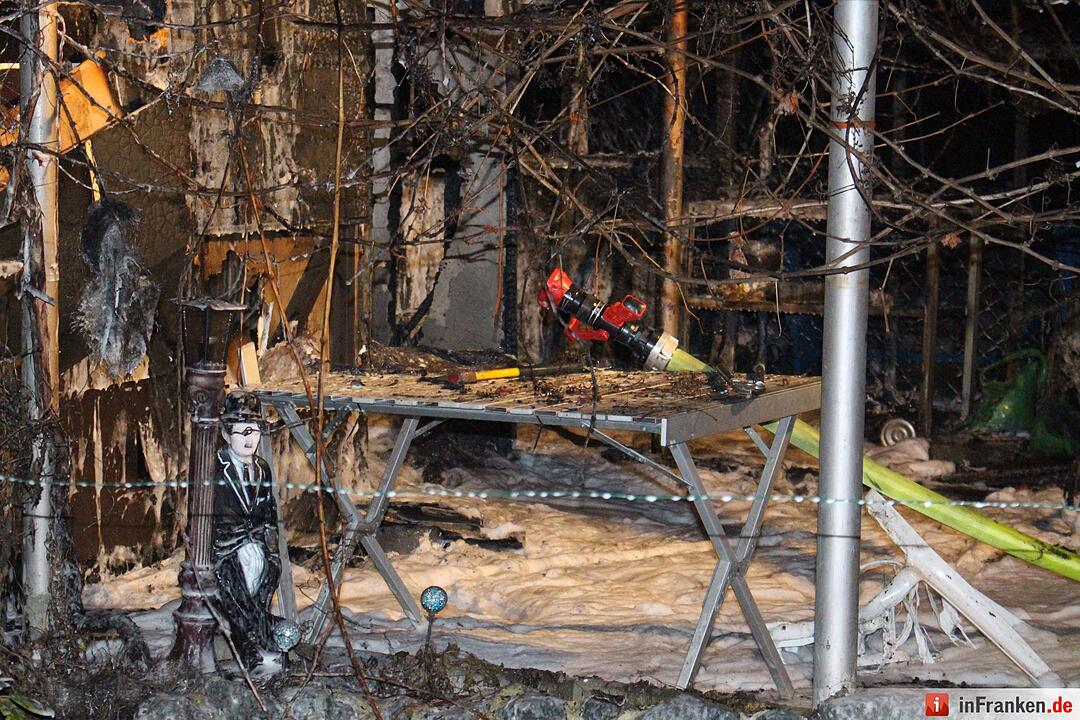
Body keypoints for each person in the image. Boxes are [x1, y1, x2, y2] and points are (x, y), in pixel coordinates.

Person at [211, 392, 285, 675]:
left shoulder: (262, 469)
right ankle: (252, 648)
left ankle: (269, 642)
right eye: (241, 431)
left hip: (258, 546)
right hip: (226, 549)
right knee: (233, 587)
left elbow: (269, 511)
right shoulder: (216, 467)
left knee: (267, 578)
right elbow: (206, 518)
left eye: (253, 430)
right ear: (227, 433)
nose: (248, 438)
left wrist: (271, 547)